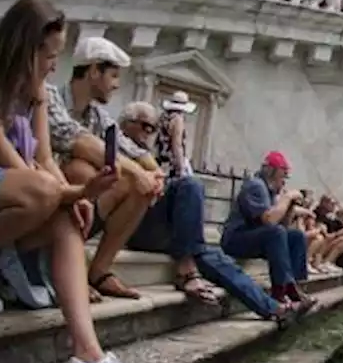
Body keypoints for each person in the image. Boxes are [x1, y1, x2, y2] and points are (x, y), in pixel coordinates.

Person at [0, 0, 151, 363]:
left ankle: (89, 356)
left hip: (17, 196)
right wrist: (67, 190)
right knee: (49, 193)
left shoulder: (38, 94)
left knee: (68, 216)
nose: (54, 65)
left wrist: (77, 196)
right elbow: (15, 165)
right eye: (49, 56)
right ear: (24, 49)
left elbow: (43, 156)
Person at [118, 101, 305, 327]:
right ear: (126, 124)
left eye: (153, 128)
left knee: (216, 259)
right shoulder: (116, 147)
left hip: (163, 226)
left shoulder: (147, 155)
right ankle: (187, 270)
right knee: (190, 186)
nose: (149, 133)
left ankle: (272, 308)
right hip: (134, 225)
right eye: (144, 126)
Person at [53, 37, 165, 300]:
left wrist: (154, 173)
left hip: (83, 206)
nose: (116, 84)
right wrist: (137, 172)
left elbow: (130, 149)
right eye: (113, 75)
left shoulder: (97, 114)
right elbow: (83, 143)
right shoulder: (53, 99)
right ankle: (70, 270)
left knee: (140, 188)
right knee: (81, 169)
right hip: (50, 201)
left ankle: (100, 271)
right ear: (93, 71)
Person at [221, 151, 315, 310]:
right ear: (273, 171)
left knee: (296, 236)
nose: (285, 181)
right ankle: (281, 290)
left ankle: (297, 286)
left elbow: (282, 229)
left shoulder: (270, 191)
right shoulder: (255, 185)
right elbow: (269, 221)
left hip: (257, 237)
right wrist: (286, 198)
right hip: (236, 238)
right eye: (283, 175)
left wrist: (290, 207)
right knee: (276, 232)